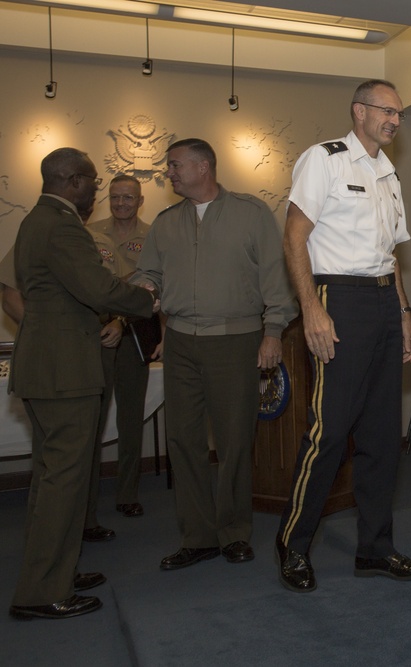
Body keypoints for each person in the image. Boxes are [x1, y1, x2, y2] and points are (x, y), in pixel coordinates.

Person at [275, 79, 411, 593]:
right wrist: (311, 310)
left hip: (384, 301)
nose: (395, 120)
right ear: (359, 111)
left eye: (400, 113)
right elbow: (294, 235)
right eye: (387, 110)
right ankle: (293, 545)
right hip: (338, 300)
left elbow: (391, 256)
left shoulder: (389, 174)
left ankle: (376, 548)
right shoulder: (325, 159)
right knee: (331, 430)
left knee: (384, 435)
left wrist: (405, 314)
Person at [133, 138, 297, 570]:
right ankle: (198, 536)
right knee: (182, 442)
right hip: (181, 342)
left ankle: (233, 532)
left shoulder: (251, 212)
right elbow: (147, 272)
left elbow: (276, 277)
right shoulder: (166, 222)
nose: (168, 172)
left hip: (236, 339)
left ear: (204, 166)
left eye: (175, 165)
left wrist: (273, 332)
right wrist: (144, 291)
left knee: (234, 441)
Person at [7, 147, 157, 620]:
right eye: (93, 181)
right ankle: (40, 593)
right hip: (64, 372)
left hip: (48, 368)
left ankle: (56, 572)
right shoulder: (62, 225)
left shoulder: (35, 221)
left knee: (53, 480)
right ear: (72, 180)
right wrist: (148, 300)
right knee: (62, 483)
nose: (97, 190)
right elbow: (97, 287)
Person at [80, 175, 153, 549]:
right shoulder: (89, 233)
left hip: (133, 337)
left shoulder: (154, 235)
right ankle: (85, 506)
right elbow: (89, 284)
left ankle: (127, 494)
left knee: (130, 418)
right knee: (89, 422)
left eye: (128, 198)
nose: (121, 202)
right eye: (115, 197)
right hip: (94, 336)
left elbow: (159, 287)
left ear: (140, 201)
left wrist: (126, 321)